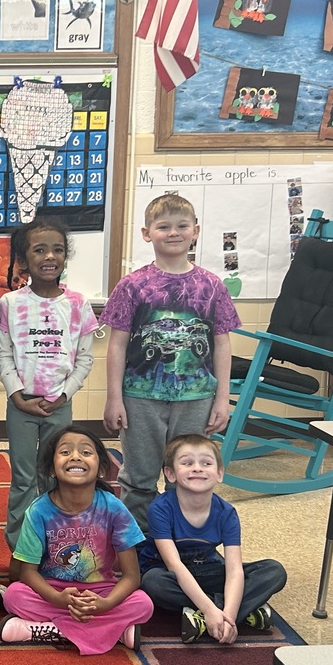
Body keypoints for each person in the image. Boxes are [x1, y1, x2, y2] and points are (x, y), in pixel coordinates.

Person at [101, 194, 241, 531]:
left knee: (187, 477)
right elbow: (117, 346)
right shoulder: (132, 285)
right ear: (147, 233)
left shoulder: (211, 286)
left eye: (181, 226)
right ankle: (138, 552)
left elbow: (221, 344)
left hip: (196, 397)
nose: (173, 233)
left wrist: (222, 397)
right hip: (140, 397)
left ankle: (183, 545)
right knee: (138, 478)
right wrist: (114, 397)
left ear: (196, 230)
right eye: (163, 227)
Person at [0, 218, 97, 574]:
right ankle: (19, 548)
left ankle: (55, 545)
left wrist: (64, 395)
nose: (49, 256)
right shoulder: (9, 304)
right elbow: (4, 353)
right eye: (39, 250)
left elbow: (84, 358)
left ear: (65, 257)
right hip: (21, 405)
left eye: (57, 249)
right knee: (23, 477)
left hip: (59, 406)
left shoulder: (77, 305)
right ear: (23, 260)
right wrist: (16, 393)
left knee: (55, 476)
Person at [0, 426, 154, 655]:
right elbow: (27, 573)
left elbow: (132, 576)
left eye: (86, 452)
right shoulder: (39, 510)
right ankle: (116, 631)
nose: (75, 456)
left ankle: (47, 630)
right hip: (54, 590)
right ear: (52, 469)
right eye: (65, 452)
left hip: (100, 592)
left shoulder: (114, 508)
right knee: (14, 596)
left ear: (102, 469)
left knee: (143, 603)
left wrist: (107, 603)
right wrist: (58, 599)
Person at [139, 434, 287, 644]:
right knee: (152, 583)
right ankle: (242, 611)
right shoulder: (160, 509)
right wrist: (211, 609)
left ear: (219, 474)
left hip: (208, 570)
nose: (197, 468)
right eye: (187, 463)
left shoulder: (226, 512)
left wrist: (230, 615)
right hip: (169, 573)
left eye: (206, 463)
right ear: (170, 473)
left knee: (274, 570)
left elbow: (234, 569)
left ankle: (209, 618)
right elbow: (175, 565)